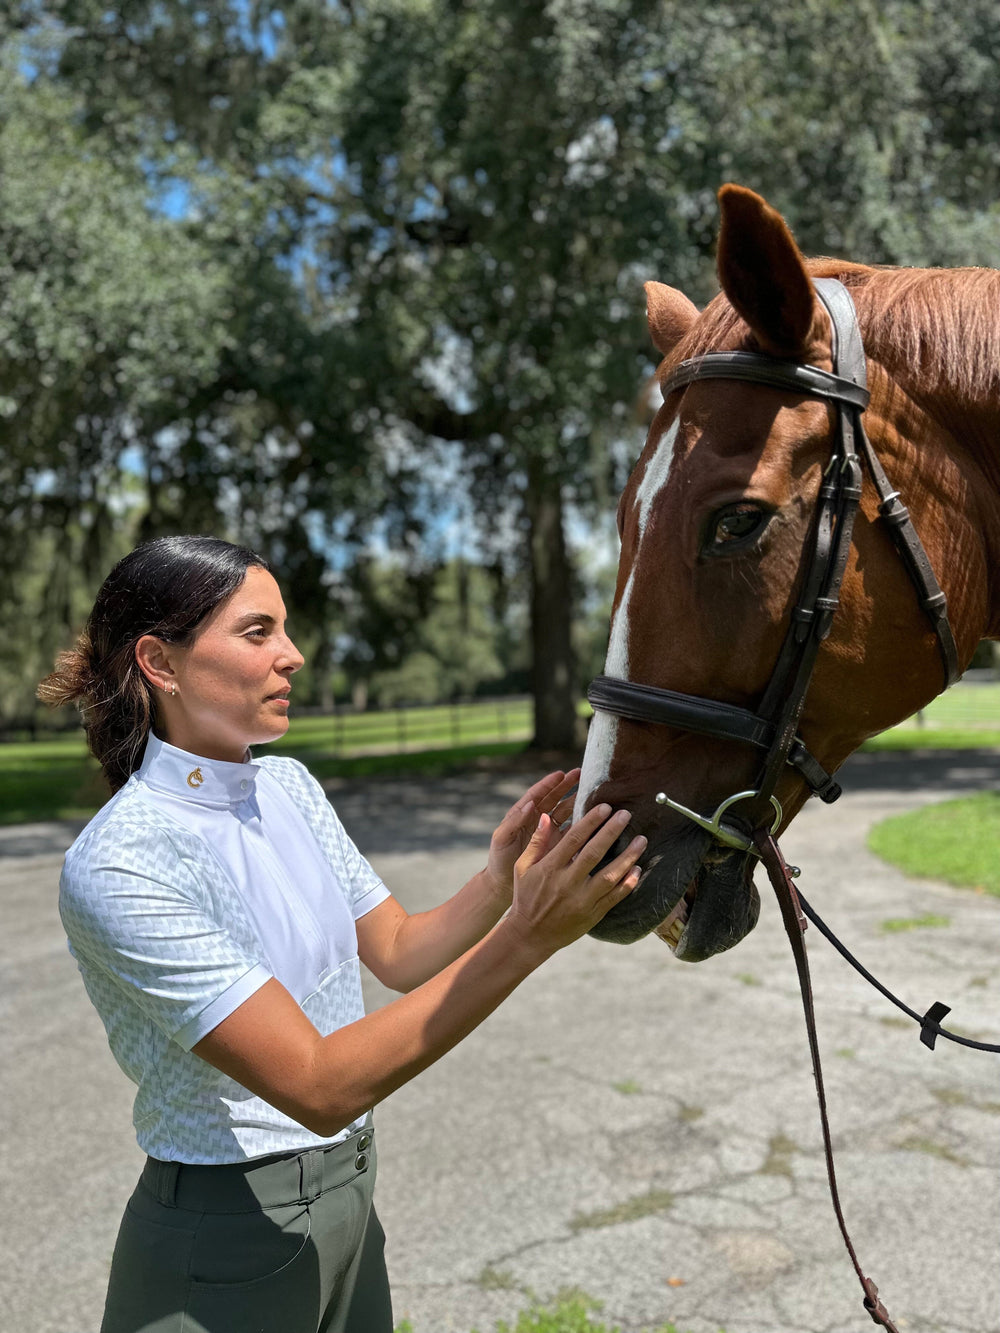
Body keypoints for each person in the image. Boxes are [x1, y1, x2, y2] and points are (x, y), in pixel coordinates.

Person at [38, 535, 645, 1333]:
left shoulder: (287, 784)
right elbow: (319, 1085)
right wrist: (527, 938)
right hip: (219, 1245)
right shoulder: (119, 863)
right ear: (162, 660)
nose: (292, 655)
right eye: (258, 632)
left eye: (285, 629)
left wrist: (501, 881)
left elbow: (397, 949)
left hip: (351, 1206)